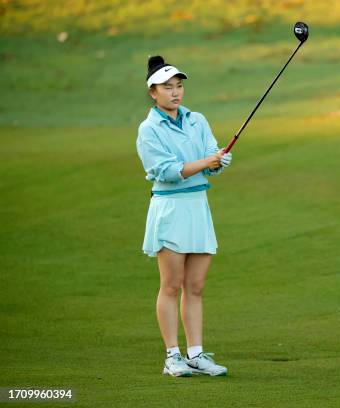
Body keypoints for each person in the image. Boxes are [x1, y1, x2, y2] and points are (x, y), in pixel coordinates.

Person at [136, 55, 232, 377]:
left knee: (196, 285)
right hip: (170, 208)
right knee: (171, 285)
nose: (175, 93)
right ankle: (171, 356)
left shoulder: (197, 120)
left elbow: (211, 153)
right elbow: (167, 171)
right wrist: (208, 162)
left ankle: (195, 354)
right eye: (167, 87)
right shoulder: (149, 129)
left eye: (178, 86)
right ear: (153, 92)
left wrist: (218, 161)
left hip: (197, 206)